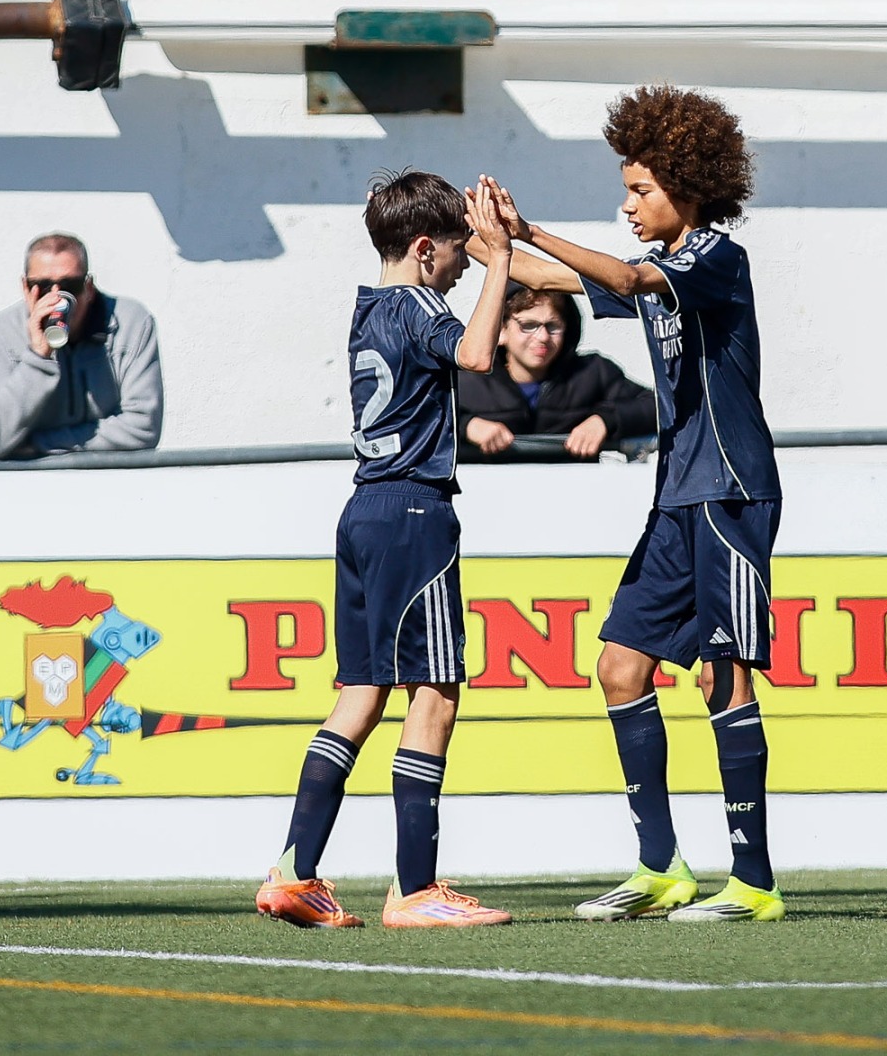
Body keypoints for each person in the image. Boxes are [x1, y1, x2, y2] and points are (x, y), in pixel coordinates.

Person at [474, 85, 784, 922]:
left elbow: (625, 273)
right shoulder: (660, 268)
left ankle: (753, 882)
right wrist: (483, 241)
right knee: (618, 666)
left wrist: (531, 228)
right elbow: (558, 279)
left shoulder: (714, 257)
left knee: (722, 675)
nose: (628, 203)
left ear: (688, 185)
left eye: (641, 189)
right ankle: (660, 869)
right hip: (677, 496)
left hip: (729, 490)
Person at [255, 171, 515, 929]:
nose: (465, 266)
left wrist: (503, 246)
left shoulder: (368, 308)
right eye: (460, 252)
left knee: (361, 694)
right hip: (413, 512)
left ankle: (293, 873)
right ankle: (415, 889)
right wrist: (502, 259)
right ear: (425, 249)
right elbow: (476, 355)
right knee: (435, 690)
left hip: (364, 507)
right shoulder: (420, 303)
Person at [0, 232, 163, 459]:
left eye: (70, 286)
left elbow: (143, 426)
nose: (56, 297)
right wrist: (38, 357)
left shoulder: (130, 323)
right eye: (42, 286)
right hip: (15, 479)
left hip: (98, 477)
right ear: (25, 287)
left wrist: (41, 444)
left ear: (89, 288)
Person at [457, 285, 657, 461]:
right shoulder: (467, 380)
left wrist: (605, 420)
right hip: (487, 490)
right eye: (528, 326)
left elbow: (657, 406)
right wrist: (467, 425)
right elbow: (436, 413)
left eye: (553, 326)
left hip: (576, 489)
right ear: (501, 330)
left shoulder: (592, 373)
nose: (542, 337)